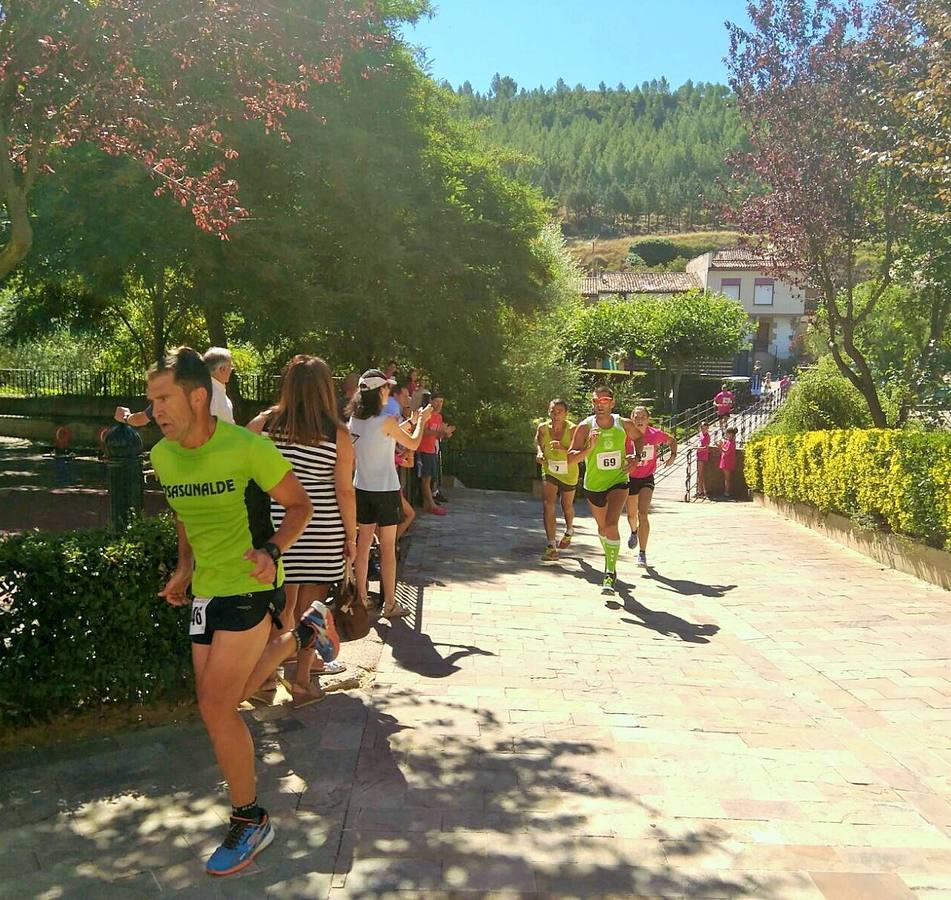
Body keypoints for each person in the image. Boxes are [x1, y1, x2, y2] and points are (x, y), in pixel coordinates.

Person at [147, 347, 313, 876]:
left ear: (199, 396)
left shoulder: (247, 448)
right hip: (208, 590)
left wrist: (273, 553)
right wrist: (184, 567)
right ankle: (299, 639)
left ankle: (250, 818)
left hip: (251, 580)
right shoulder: (164, 456)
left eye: (164, 398)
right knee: (224, 701)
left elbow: (299, 505)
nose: (156, 410)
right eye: (151, 401)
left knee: (217, 709)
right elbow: (183, 515)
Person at [246, 355, 357, 708]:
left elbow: (245, 480)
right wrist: (350, 537)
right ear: (326, 389)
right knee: (314, 609)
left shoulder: (262, 425)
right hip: (322, 530)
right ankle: (303, 681)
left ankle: (263, 680)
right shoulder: (338, 434)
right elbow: (344, 490)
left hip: (277, 529)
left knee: (276, 607)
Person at [348, 368, 432, 618]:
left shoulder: (356, 421)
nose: (389, 391)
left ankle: (362, 599)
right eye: (386, 388)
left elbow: (384, 435)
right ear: (378, 392)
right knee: (387, 548)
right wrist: (423, 421)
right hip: (385, 490)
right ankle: (390, 604)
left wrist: (412, 422)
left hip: (361, 488)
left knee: (363, 546)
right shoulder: (385, 421)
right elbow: (413, 443)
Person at [568, 385, 643, 594]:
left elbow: (638, 437)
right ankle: (610, 557)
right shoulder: (585, 427)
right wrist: (589, 448)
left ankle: (610, 572)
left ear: (612, 403)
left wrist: (636, 458)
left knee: (611, 524)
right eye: (595, 401)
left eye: (604, 401)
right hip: (594, 485)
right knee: (603, 529)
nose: (599, 405)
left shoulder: (623, 423)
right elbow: (571, 459)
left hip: (619, 480)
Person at [624, 406, 677, 567]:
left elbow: (672, 440)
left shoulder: (655, 434)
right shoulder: (626, 435)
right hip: (630, 478)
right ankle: (634, 532)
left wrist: (672, 456)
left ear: (648, 419)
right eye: (636, 417)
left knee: (643, 514)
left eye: (642, 417)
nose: (639, 420)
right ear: (631, 418)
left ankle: (642, 553)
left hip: (647, 477)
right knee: (632, 515)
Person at [534, 399, 578, 561]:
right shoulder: (543, 428)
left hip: (569, 471)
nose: (556, 414)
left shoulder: (573, 430)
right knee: (548, 505)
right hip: (549, 468)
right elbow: (538, 441)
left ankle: (569, 530)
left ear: (566, 413)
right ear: (548, 411)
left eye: (560, 411)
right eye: (553, 410)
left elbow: (579, 452)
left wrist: (563, 448)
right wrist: (539, 452)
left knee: (566, 506)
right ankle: (551, 546)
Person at [417, 392, 455, 516]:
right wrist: (439, 430)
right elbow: (423, 431)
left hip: (432, 450)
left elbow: (437, 435)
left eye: (441, 402)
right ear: (431, 402)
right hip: (423, 450)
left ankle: (427, 504)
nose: (439, 404)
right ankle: (431, 505)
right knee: (425, 479)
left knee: (431, 478)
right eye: (437, 401)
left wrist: (446, 433)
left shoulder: (439, 417)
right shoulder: (426, 414)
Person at [202, 347, 236, 424]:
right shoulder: (212, 394)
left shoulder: (217, 390)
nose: (231, 370)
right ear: (222, 369)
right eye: (230, 366)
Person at [719, 427, 738, 499]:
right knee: (726, 477)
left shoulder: (731, 442)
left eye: (727, 433)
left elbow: (726, 452)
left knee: (727, 478)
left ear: (730, 434)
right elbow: (725, 449)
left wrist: (720, 446)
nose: (726, 435)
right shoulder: (729, 441)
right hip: (726, 461)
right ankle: (726, 491)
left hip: (727, 461)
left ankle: (727, 492)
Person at [695, 421, 711, 498]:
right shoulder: (700, 434)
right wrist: (699, 448)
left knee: (700, 474)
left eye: (705, 428)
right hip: (699, 456)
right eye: (702, 428)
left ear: (708, 428)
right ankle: (703, 490)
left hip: (703, 457)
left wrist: (698, 448)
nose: (703, 430)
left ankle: (700, 491)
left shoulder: (707, 436)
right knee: (700, 473)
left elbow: (706, 448)